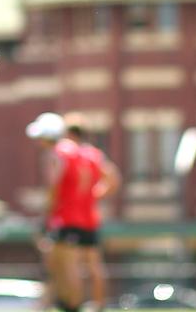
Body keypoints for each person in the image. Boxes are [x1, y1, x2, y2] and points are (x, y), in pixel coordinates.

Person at [44, 114, 119, 312]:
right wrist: (95, 195)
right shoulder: (94, 154)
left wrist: (49, 211)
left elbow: (55, 184)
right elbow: (113, 178)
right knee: (95, 265)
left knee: (71, 266)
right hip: (89, 218)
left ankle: (73, 306)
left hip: (68, 217)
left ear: (68, 133)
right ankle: (99, 305)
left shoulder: (65, 152)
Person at [25, 113, 65, 310]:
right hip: (65, 217)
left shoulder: (54, 155)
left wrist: (45, 219)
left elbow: (53, 188)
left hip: (59, 219)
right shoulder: (66, 153)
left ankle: (48, 304)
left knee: (53, 265)